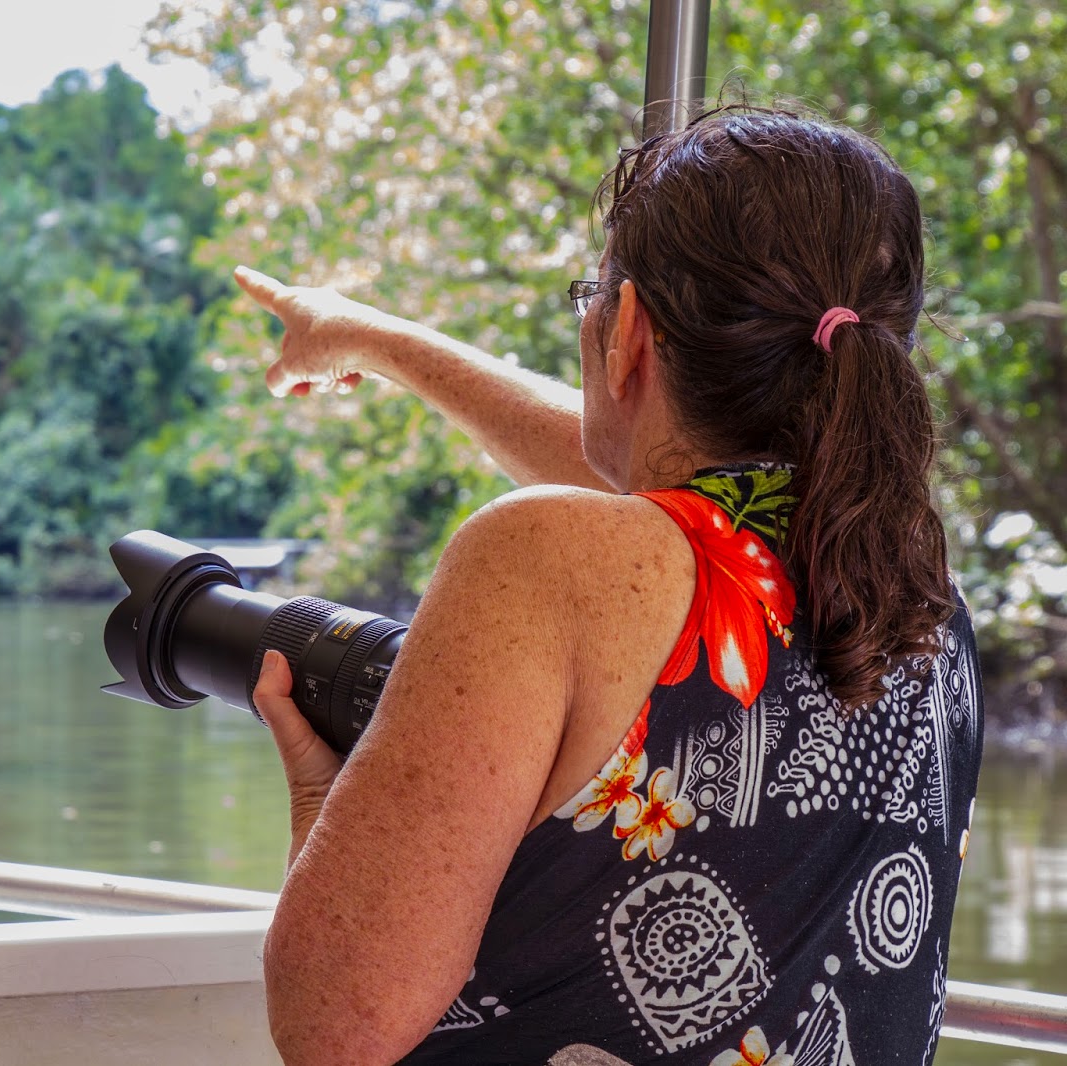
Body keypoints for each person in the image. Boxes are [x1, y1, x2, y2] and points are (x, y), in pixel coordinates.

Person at [233, 106, 984, 1066]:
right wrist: (377, 341)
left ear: (626, 329)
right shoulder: (918, 594)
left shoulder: (542, 561)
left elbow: (335, 1029)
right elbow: (674, 490)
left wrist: (320, 796)